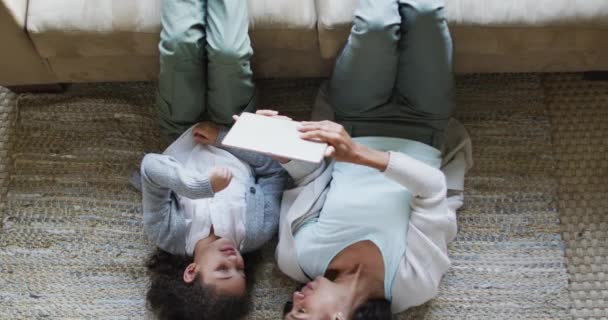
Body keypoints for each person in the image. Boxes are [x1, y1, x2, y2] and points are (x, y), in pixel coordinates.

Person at [275, 0, 473, 319]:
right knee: (424, 13)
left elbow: (307, 179)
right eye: (300, 311)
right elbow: (433, 189)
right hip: (425, 124)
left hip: (355, 118)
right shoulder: (412, 285)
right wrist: (356, 154)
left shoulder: (297, 259)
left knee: (377, 24)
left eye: (290, 307)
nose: (296, 296)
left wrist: (280, 147)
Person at [138, 0, 289, 319]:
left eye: (223, 269)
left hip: (182, 127)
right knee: (228, 53)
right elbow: (274, 173)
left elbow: (151, 168)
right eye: (240, 270)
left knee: (180, 44)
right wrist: (224, 137)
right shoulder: (257, 230)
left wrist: (200, 187)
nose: (234, 259)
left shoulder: (168, 234)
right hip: (236, 125)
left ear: (191, 272)